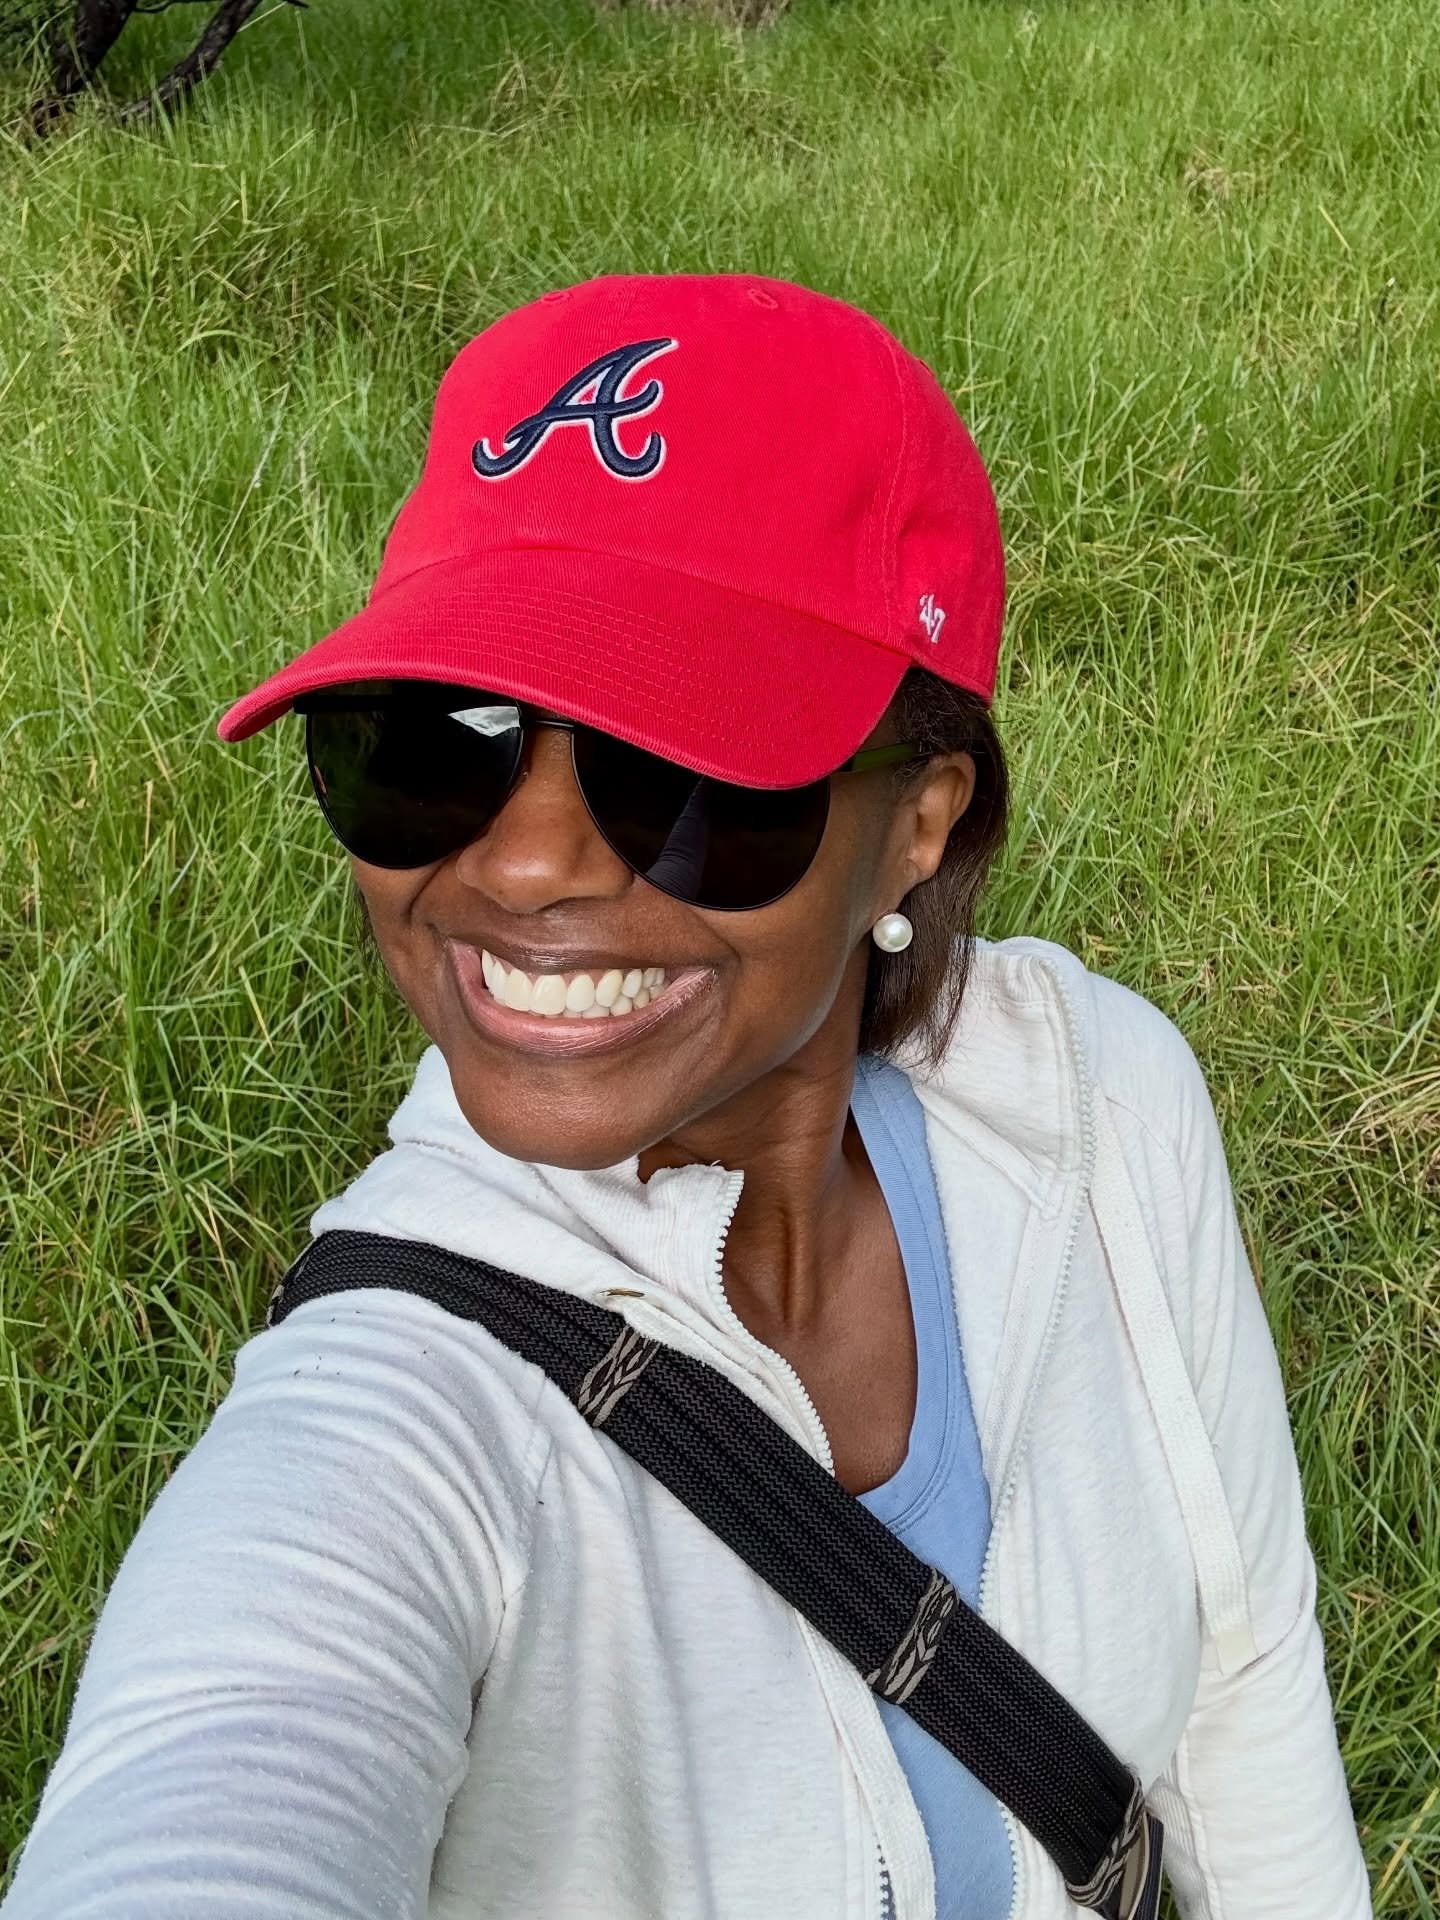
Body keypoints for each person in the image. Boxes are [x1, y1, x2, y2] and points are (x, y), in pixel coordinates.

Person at [2, 275, 1372, 1920]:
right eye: (435, 741)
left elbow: (1242, 1686)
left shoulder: (1104, 1105)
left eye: (693, 776)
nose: (517, 860)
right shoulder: (397, 1415)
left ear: (922, 820)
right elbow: (221, 1769)